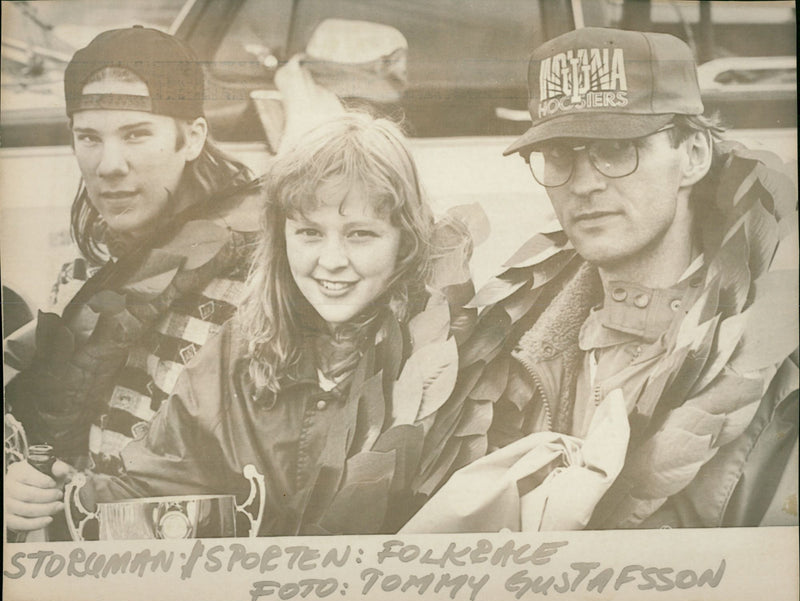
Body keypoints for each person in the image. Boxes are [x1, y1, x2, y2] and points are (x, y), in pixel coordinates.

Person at [5, 111, 488, 538]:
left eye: (361, 234)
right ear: (281, 239)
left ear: (404, 241)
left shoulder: (449, 350)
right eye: (310, 233)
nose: (332, 261)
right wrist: (44, 501)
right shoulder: (240, 348)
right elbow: (149, 485)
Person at [403, 27, 798, 532]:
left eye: (617, 149)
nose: (584, 183)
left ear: (694, 155)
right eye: (561, 155)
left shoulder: (778, 356)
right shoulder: (511, 347)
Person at [4, 26, 263, 477]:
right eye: (88, 137)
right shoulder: (79, 275)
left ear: (192, 139)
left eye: (136, 134)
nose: (109, 165)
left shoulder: (257, 276)